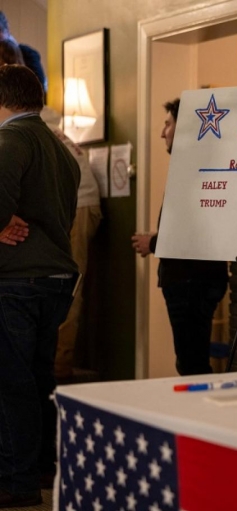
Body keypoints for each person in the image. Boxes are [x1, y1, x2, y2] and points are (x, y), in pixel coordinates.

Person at [0, 65, 80, 508]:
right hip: (55, 278)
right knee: (38, 377)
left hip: (17, 279)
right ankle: (46, 466)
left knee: (11, 383)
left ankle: (17, 479)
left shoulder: (11, 138)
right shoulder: (60, 149)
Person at [131, 99, 229, 376]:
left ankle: (201, 405)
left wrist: (152, 243)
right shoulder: (205, 164)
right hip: (202, 276)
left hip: (189, 279)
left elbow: (191, 233)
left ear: (184, 127)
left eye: (168, 124)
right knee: (192, 361)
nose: (163, 133)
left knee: (191, 365)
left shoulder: (189, 169)